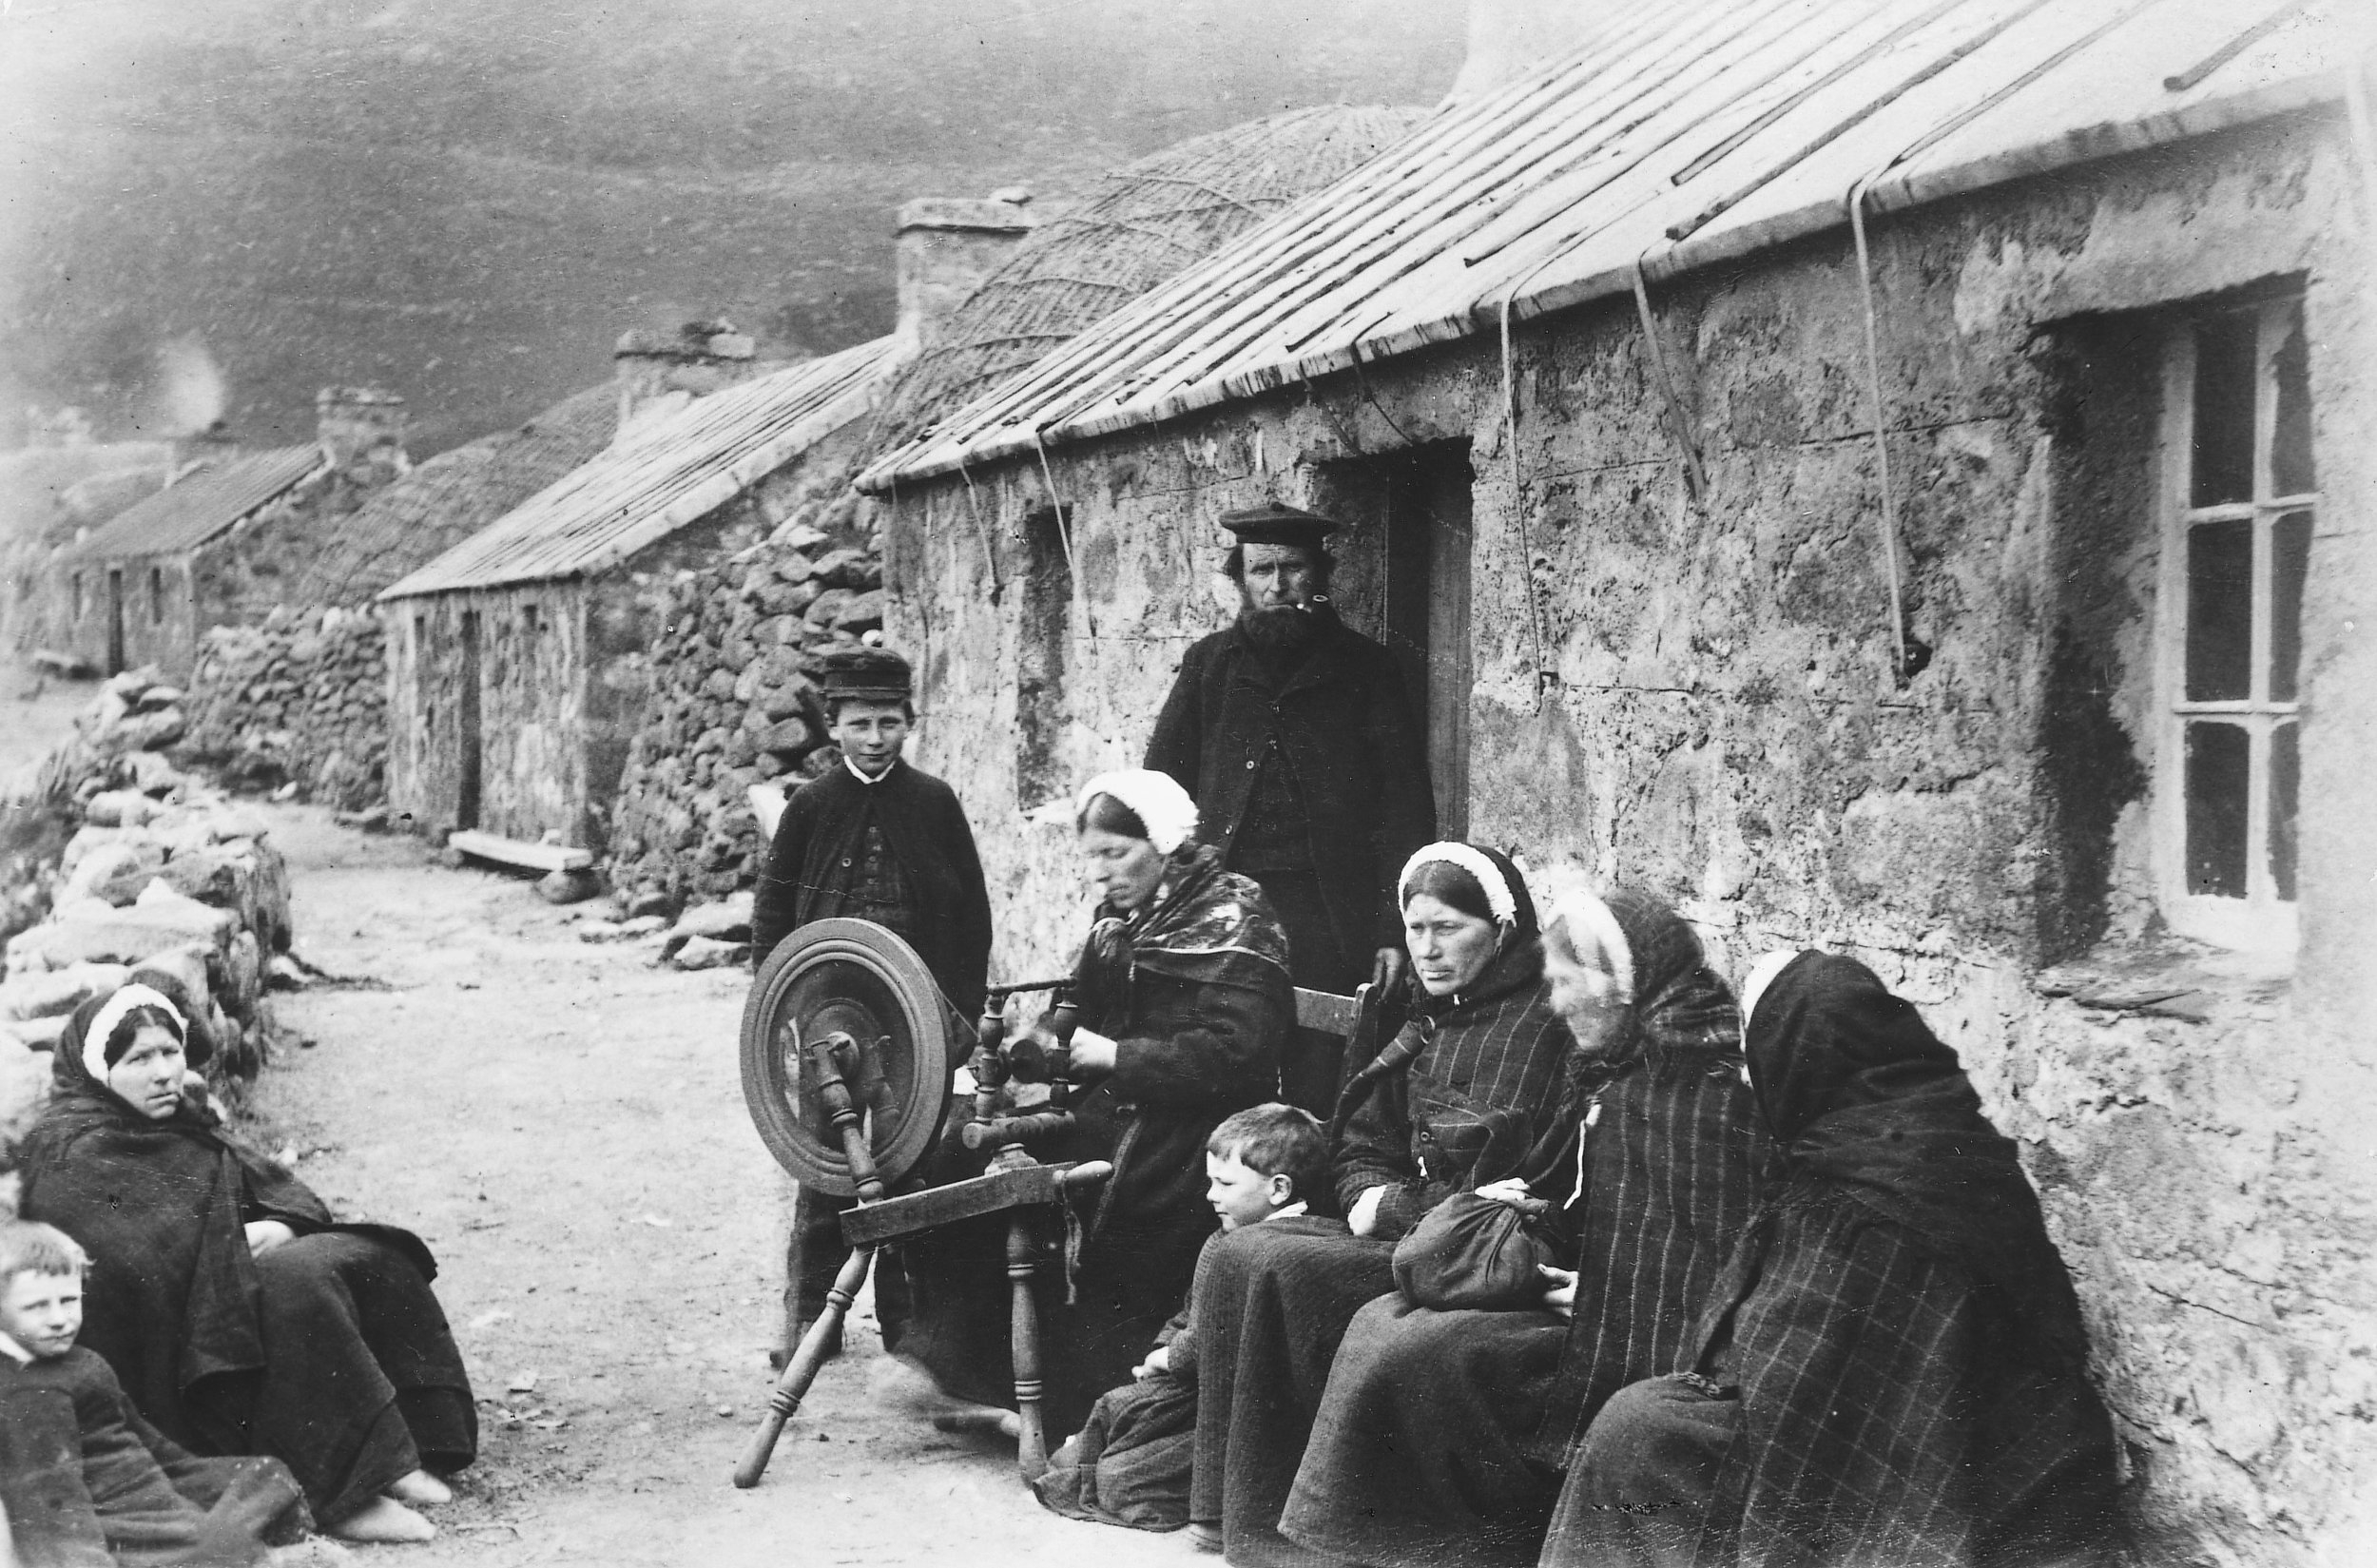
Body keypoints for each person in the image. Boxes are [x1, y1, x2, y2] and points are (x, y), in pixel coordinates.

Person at [1545, 951, 2124, 1568]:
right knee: (1645, 1422)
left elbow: (1818, 1403)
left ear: (1800, 1052)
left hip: (1976, 1479)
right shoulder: (1934, 1140)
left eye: (1758, 1050)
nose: (1750, 1077)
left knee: (1636, 1437)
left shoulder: (1869, 1203)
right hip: (1976, 1447)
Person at [1275, 887, 1764, 1568]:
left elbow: (1700, 1272)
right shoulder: (1610, 1078)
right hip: (1585, 1302)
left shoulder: (1698, 1102)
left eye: (1568, 983)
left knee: (1437, 1354)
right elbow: (1574, 1196)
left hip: (1631, 1341)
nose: (1557, 1004)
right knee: (1387, 1324)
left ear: (1624, 988)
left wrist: (1586, 1288)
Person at [1182, 843, 1577, 1565]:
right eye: (1415, 928)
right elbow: (1359, 1142)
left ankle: (1325, 1534)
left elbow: (1521, 1190)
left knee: (1290, 1270)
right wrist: (1368, 1197)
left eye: (1449, 928)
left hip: (1475, 1253)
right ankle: (1240, 1514)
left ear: (1502, 926)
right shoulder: (1419, 1012)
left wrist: (1389, 1210)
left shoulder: (1547, 1026)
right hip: (1406, 1225)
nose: (1427, 948)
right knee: (1239, 1251)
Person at [894, 769, 1292, 1440]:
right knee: (962, 1151)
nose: (1101, 871)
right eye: (1091, 855)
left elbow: (1239, 1054)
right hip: (1123, 1104)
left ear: (1163, 844)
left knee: (1089, 1186)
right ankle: (965, 1373)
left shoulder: (1234, 915)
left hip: (1198, 1121)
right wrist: (1036, 1047)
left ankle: (1064, 1400)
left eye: (1116, 853)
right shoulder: (1123, 920)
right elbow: (1078, 1010)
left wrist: (1117, 1058)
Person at [17, 981, 474, 1546]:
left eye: (169, 1052)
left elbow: (273, 1190)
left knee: (363, 1255)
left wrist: (278, 1225)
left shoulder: (177, 1120)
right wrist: (230, 1254)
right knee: (294, 1284)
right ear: (98, 1071)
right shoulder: (72, 1150)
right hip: (171, 1358)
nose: (163, 1072)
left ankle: (402, 1451)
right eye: (139, 1059)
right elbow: (137, 1263)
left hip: (216, 1292)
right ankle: (344, 1494)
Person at [1146, 500, 1435, 1114]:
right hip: (1226, 906)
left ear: (1319, 575)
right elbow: (1158, 791)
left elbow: (1405, 810)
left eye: (1293, 569)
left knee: (1319, 1069)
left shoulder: (1368, 668)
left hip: (1328, 914)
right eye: (1261, 570)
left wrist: (1392, 931)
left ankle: (1303, 1196)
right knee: (1224, 1054)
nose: (1277, 586)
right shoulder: (1208, 665)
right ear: (1241, 578)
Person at [748, 643, 994, 1360]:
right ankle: (808, 1328)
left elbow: (972, 918)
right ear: (835, 727)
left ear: (910, 721)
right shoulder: (812, 805)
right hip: (829, 1017)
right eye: (860, 723)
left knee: (913, 1161)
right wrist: (781, 1005)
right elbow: (774, 912)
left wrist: (961, 1019)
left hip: (917, 1019)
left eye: (889, 721)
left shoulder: (935, 802)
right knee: (827, 1164)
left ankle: (908, 1331)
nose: (876, 737)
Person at [1032, 1103, 1340, 1537]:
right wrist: (1160, 1352)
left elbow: (1216, 1338)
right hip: (1192, 1388)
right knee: (1113, 1413)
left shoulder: (1290, 1249)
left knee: (1119, 1480)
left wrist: (1169, 1358)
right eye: (1210, 1181)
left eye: (1225, 1183)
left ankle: (1119, 1466)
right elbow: (1190, 1311)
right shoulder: (1224, 1239)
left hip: (1237, 1412)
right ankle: (1096, 1451)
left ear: (1279, 1189)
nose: (1211, 1195)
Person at [0, 1219, 313, 1568]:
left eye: (69, 1300)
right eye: (37, 1306)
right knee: (215, 1545)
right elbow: (52, 1498)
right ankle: (219, 1545)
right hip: (111, 1506)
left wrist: (187, 1480)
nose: (59, 1318)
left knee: (265, 1473)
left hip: (148, 1478)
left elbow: (144, 1437)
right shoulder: (27, 1390)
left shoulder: (81, 1360)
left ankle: (217, 1535)